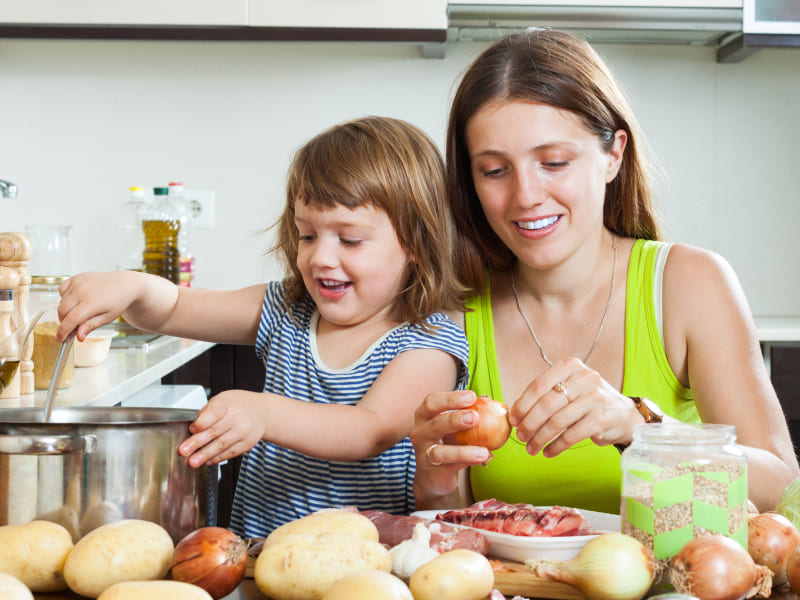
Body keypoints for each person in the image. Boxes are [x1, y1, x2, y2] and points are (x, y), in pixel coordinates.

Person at [409, 28, 799, 515]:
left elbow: (781, 488)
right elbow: (456, 524)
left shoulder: (689, 283)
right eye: (494, 170)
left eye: (553, 162)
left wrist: (639, 426)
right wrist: (434, 478)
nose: (525, 195)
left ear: (613, 155)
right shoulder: (456, 312)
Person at [56, 116, 470, 537]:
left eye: (349, 240)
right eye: (307, 235)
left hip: (370, 571)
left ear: (417, 243)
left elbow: (369, 430)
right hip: (259, 560)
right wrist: (134, 287)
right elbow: (174, 309)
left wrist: (263, 412)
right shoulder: (285, 308)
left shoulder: (429, 343)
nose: (320, 257)